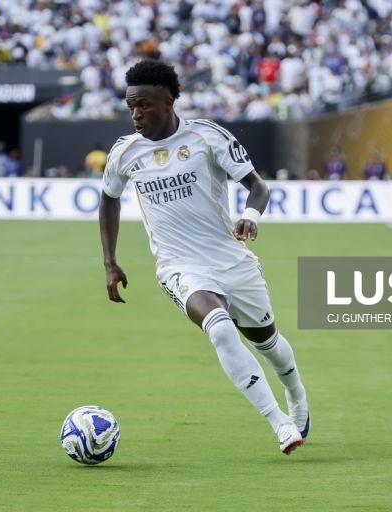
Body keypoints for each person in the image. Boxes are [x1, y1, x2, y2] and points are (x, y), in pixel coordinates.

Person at [99, 60, 310, 456]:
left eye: (143, 104)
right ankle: (279, 422)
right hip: (180, 267)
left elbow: (256, 187)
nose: (136, 114)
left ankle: (296, 393)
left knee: (267, 342)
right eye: (131, 106)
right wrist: (110, 260)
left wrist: (249, 216)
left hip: (230, 260)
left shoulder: (206, 137)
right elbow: (109, 198)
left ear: (169, 101)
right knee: (219, 329)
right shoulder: (125, 152)